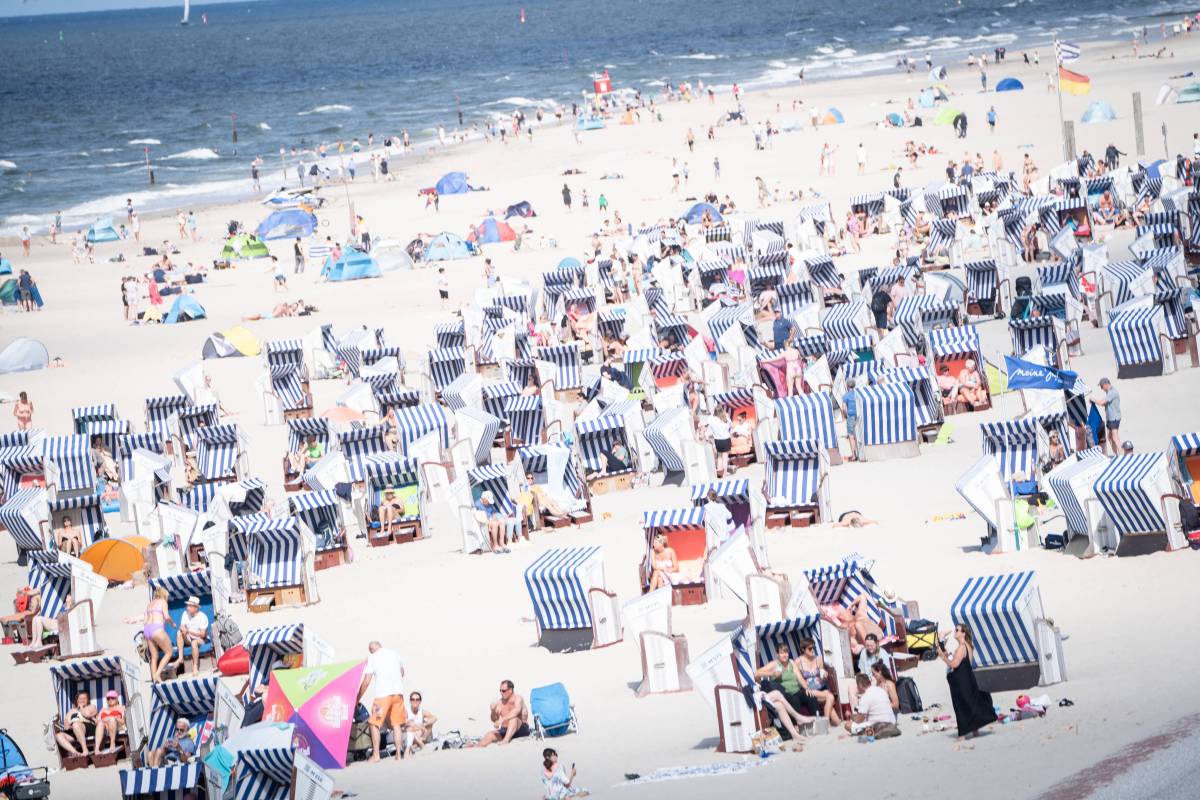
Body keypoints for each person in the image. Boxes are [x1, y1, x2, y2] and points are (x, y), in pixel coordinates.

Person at [939, 623, 996, 740]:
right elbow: (965, 664)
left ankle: (962, 736)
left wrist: (942, 657)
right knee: (971, 703)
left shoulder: (961, 647)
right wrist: (948, 655)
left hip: (960, 681)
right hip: (968, 679)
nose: (955, 631)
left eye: (957, 630)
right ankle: (975, 730)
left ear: (963, 633)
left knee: (961, 706)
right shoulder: (968, 646)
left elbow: (954, 664)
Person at [754, 642, 820, 742]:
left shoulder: (791, 663)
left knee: (811, 697)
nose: (784, 655)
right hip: (785, 693)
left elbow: (800, 678)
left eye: (786, 652)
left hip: (796, 690)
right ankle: (798, 727)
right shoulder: (775, 664)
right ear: (777, 654)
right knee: (795, 699)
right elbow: (757, 673)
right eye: (781, 653)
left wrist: (807, 688)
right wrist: (772, 673)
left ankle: (817, 722)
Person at [357, 641, 408, 762]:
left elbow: (366, 681)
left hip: (382, 695)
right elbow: (402, 672)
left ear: (371, 649)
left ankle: (376, 755)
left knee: (374, 723)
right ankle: (398, 756)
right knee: (396, 725)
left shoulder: (372, 657)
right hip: (398, 693)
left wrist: (357, 698)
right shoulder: (395, 654)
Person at [796, 639, 842, 725]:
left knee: (837, 721)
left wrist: (825, 675)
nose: (812, 650)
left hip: (821, 688)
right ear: (803, 649)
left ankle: (832, 723)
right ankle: (826, 723)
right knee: (830, 697)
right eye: (810, 648)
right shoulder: (798, 662)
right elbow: (798, 679)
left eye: (813, 648)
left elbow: (822, 674)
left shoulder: (818, 659)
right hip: (809, 691)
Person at [476, 680, 529, 747]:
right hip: (505, 730)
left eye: (503, 691)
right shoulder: (500, 702)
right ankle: (477, 746)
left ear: (510, 690)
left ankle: (506, 740)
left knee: (513, 719)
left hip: (520, 729)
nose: (501, 693)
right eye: (500, 690)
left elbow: (516, 711)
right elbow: (494, 719)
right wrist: (493, 711)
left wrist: (502, 720)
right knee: (490, 734)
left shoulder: (518, 698)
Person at [143, 587, 175, 682]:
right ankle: (157, 674)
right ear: (164, 595)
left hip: (147, 630)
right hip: (157, 629)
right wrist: (172, 623)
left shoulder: (149, 604)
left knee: (154, 657)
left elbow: (145, 620)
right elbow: (166, 616)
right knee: (169, 652)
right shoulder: (163, 602)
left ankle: (154, 680)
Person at [172, 596, 209, 676]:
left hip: (200, 639)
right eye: (187, 605)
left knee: (194, 642)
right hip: (189, 637)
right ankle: (180, 658)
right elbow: (181, 626)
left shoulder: (202, 617)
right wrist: (183, 629)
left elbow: (203, 634)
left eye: (190, 606)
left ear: (196, 608)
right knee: (179, 633)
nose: (187, 607)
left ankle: (195, 667)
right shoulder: (185, 614)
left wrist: (188, 631)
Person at [55, 692, 98, 756]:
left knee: (76, 724)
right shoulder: (72, 710)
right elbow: (66, 723)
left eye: (84, 698)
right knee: (58, 735)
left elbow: (87, 715)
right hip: (75, 730)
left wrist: (81, 708)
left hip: (89, 728)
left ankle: (85, 750)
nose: (82, 700)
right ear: (77, 700)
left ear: (88, 700)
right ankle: (75, 753)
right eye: (80, 698)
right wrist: (68, 726)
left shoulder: (91, 707)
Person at [402, 692, 436, 756]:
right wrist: (415, 726)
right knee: (409, 728)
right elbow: (403, 724)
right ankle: (421, 745)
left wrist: (424, 724)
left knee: (430, 725)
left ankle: (417, 745)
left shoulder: (422, 711)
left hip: (422, 735)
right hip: (412, 735)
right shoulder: (406, 711)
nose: (415, 701)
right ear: (410, 701)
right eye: (413, 699)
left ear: (420, 701)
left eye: (417, 699)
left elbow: (434, 718)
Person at [1095, 378, 1122, 455]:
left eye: (1101, 387)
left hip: (1114, 418)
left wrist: (1093, 400)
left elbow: (1101, 402)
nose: (1101, 389)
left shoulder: (1112, 392)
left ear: (1106, 384)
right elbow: (1104, 404)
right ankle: (1115, 454)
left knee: (1114, 436)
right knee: (1110, 437)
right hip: (1110, 418)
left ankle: (1121, 455)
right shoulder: (1109, 392)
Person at [94, 690, 126, 755]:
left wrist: (114, 718)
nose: (110, 700)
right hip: (105, 727)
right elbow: (97, 722)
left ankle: (112, 743)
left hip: (117, 725)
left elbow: (123, 721)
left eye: (112, 698)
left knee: (112, 719)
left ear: (117, 699)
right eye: (108, 698)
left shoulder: (121, 708)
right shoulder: (103, 709)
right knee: (100, 724)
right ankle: (96, 749)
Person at [707, 407, 732, 477]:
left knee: (719, 457)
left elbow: (708, 421)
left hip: (717, 440)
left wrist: (712, 415)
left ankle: (719, 473)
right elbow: (728, 427)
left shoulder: (712, 419)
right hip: (725, 439)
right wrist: (727, 417)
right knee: (725, 457)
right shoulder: (723, 420)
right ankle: (724, 473)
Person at [843, 378, 860, 461]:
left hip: (851, 416)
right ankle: (860, 453)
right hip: (859, 416)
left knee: (851, 436)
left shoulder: (846, 396)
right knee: (858, 435)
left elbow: (844, 409)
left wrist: (846, 416)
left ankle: (853, 455)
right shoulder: (857, 394)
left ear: (847, 386)